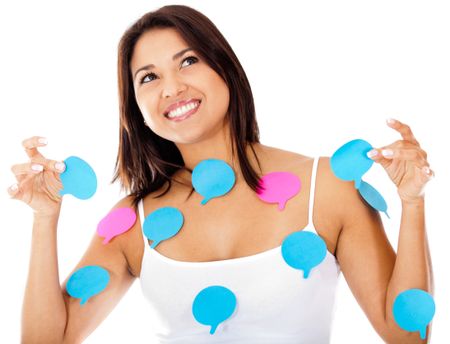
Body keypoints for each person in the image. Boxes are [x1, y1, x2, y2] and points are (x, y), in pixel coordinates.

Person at [10, 4, 434, 343]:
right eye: (149, 77)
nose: (172, 88)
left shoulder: (325, 188)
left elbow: (406, 335)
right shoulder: (133, 222)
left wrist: (412, 202)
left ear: (225, 67)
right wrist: (44, 219)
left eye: (188, 61)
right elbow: (49, 340)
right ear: (136, 109)